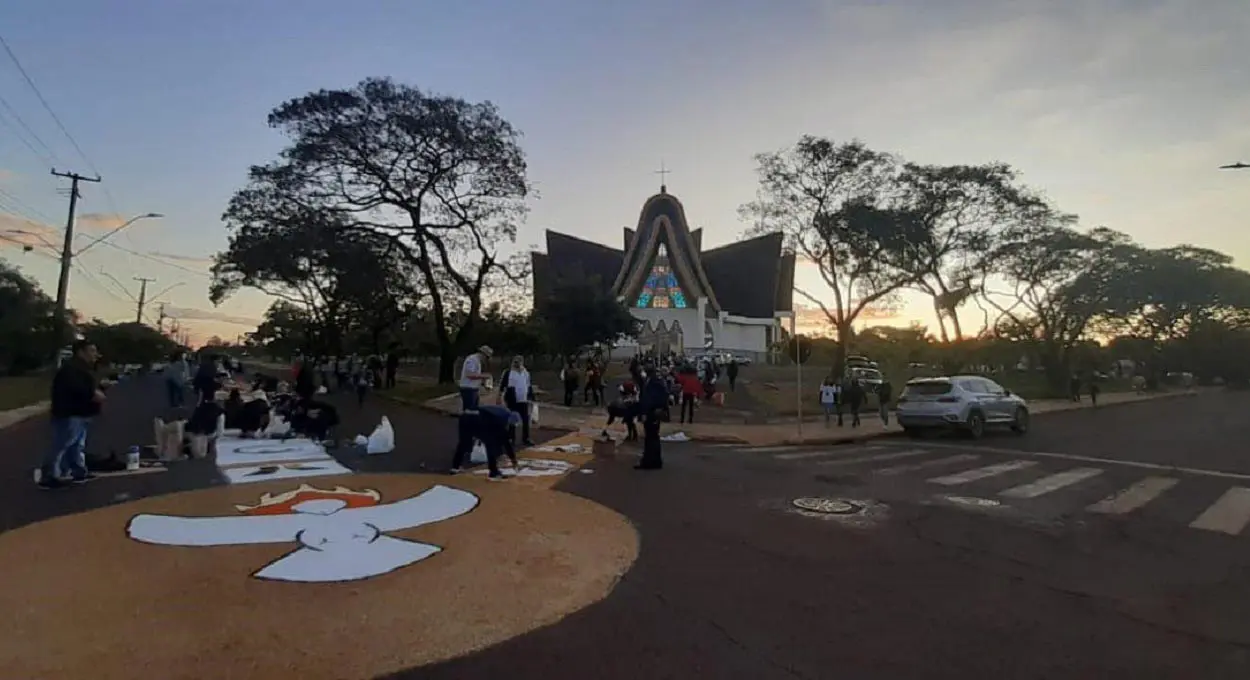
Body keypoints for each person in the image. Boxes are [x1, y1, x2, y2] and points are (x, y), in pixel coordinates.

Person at [38, 339, 104, 489]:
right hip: (70, 413)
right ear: (80, 352)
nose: (95, 355)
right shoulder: (71, 370)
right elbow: (75, 389)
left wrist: (98, 389)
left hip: (80, 413)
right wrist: (93, 394)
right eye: (92, 351)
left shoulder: (82, 369)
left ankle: (78, 471)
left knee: (76, 445)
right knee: (61, 445)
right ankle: (49, 476)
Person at [449, 405, 521, 480]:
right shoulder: (501, 420)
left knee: (463, 442)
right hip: (478, 419)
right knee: (491, 444)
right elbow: (506, 442)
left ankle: (455, 468)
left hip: (465, 417)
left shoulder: (503, 412)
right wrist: (514, 461)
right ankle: (494, 472)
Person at [499, 355, 536, 447]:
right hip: (512, 399)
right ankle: (511, 438)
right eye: (515, 361)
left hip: (523, 399)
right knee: (512, 418)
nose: (517, 363)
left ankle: (526, 438)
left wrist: (531, 397)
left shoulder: (525, 373)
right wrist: (499, 396)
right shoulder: (508, 372)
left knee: (525, 419)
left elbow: (528, 385)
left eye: (519, 361)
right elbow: (502, 385)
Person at [636, 370, 669, 471]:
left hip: (651, 413)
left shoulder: (653, 383)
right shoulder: (656, 382)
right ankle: (653, 460)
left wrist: (644, 413)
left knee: (651, 437)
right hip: (654, 413)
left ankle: (650, 461)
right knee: (652, 437)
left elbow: (648, 400)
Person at [458, 345, 493, 412]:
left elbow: (476, 375)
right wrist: (484, 376)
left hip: (473, 388)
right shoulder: (472, 359)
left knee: (474, 409)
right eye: (487, 357)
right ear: (482, 354)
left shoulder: (478, 361)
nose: (486, 360)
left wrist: (484, 383)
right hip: (468, 388)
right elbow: (470, 375)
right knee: (469, 410)